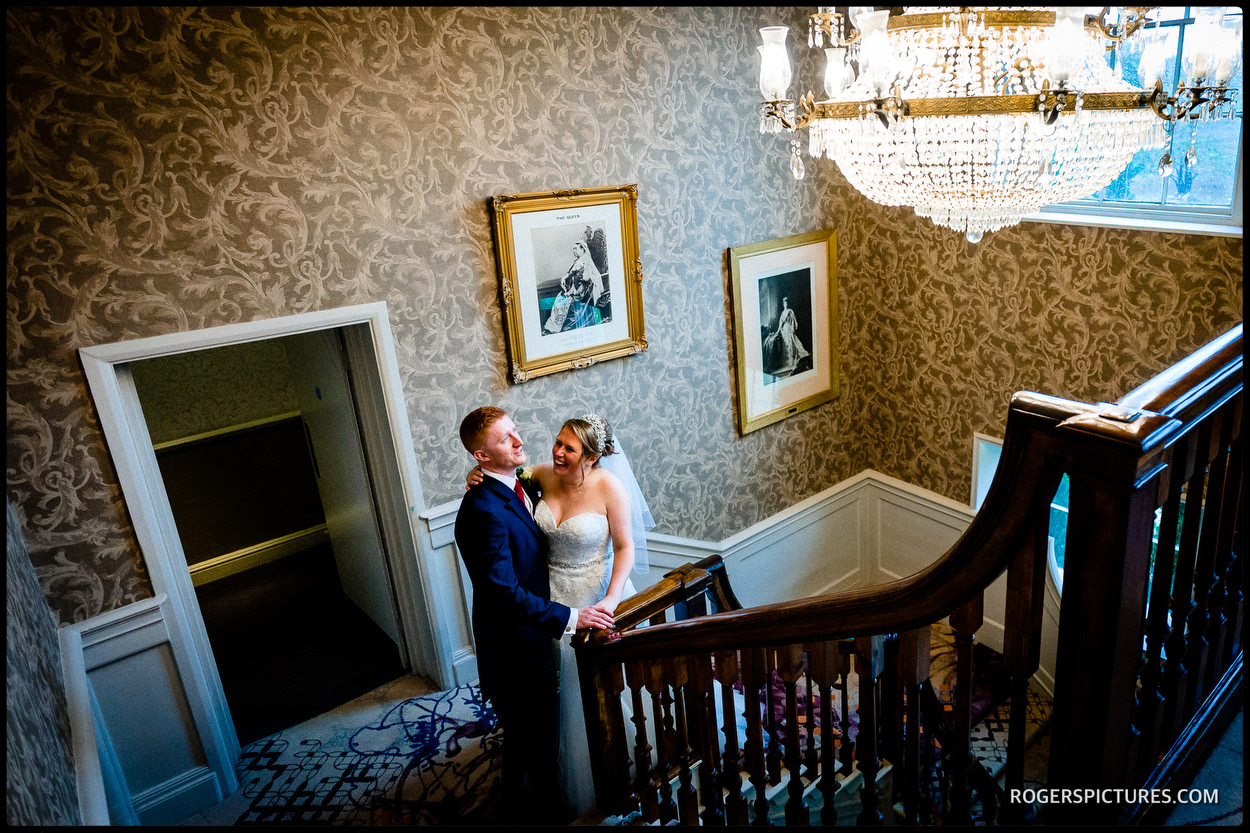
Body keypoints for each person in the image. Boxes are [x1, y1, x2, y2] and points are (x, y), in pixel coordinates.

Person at [467, 413, 655, 820]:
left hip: (595, 597)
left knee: (604, 690)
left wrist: (610, 600)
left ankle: (623, 769)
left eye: (569, 448)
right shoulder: (539, 476)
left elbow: (624, 548)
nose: (557, 451)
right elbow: (502, 486)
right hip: (551, 601)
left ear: (591, 457)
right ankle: (551, 787)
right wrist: (475, 471)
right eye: (557, 442)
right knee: (551, 701)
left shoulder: (609, 487)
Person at [544, 237, 605, 334]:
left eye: (576, 249)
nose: (574, 251)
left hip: (582, 292)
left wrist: (573, 291)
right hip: (574, 288)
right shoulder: (578, 261)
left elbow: (585, 279)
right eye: (573, 249)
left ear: (582, 249)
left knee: (563, 301)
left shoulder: (586, 261)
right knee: (560, 300)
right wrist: (564, 277)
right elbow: (571, 273)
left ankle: (559, 328)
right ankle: (555, 327)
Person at [764, 296, 810, 375]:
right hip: (783, 330)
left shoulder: (790, 311)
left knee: (791, 343)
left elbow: (793, 320)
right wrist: (778, 331)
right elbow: (780, 323)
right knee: (785, 345)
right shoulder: (782, 313)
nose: (786, 304)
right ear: (783, 304)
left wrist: (793, 328)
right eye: (785, 303)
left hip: (788, 328)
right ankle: (786, 362)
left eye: (787, 303)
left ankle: (791, 361)